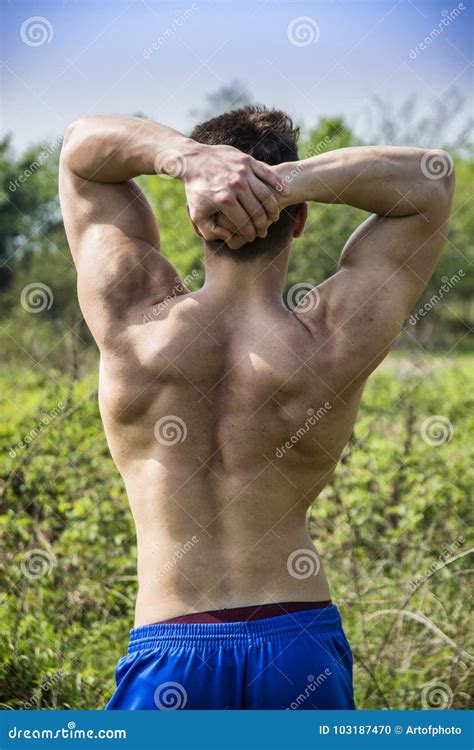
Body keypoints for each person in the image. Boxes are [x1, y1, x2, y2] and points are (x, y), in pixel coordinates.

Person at [59, 106, 454, 710]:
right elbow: (432, 180)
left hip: (172, 649)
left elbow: (82, 151)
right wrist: (283, 183)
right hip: (298, 650)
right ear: (299, 223)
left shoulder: (134, 320)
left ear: (198, 218)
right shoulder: (331, 341)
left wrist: (196, 165)